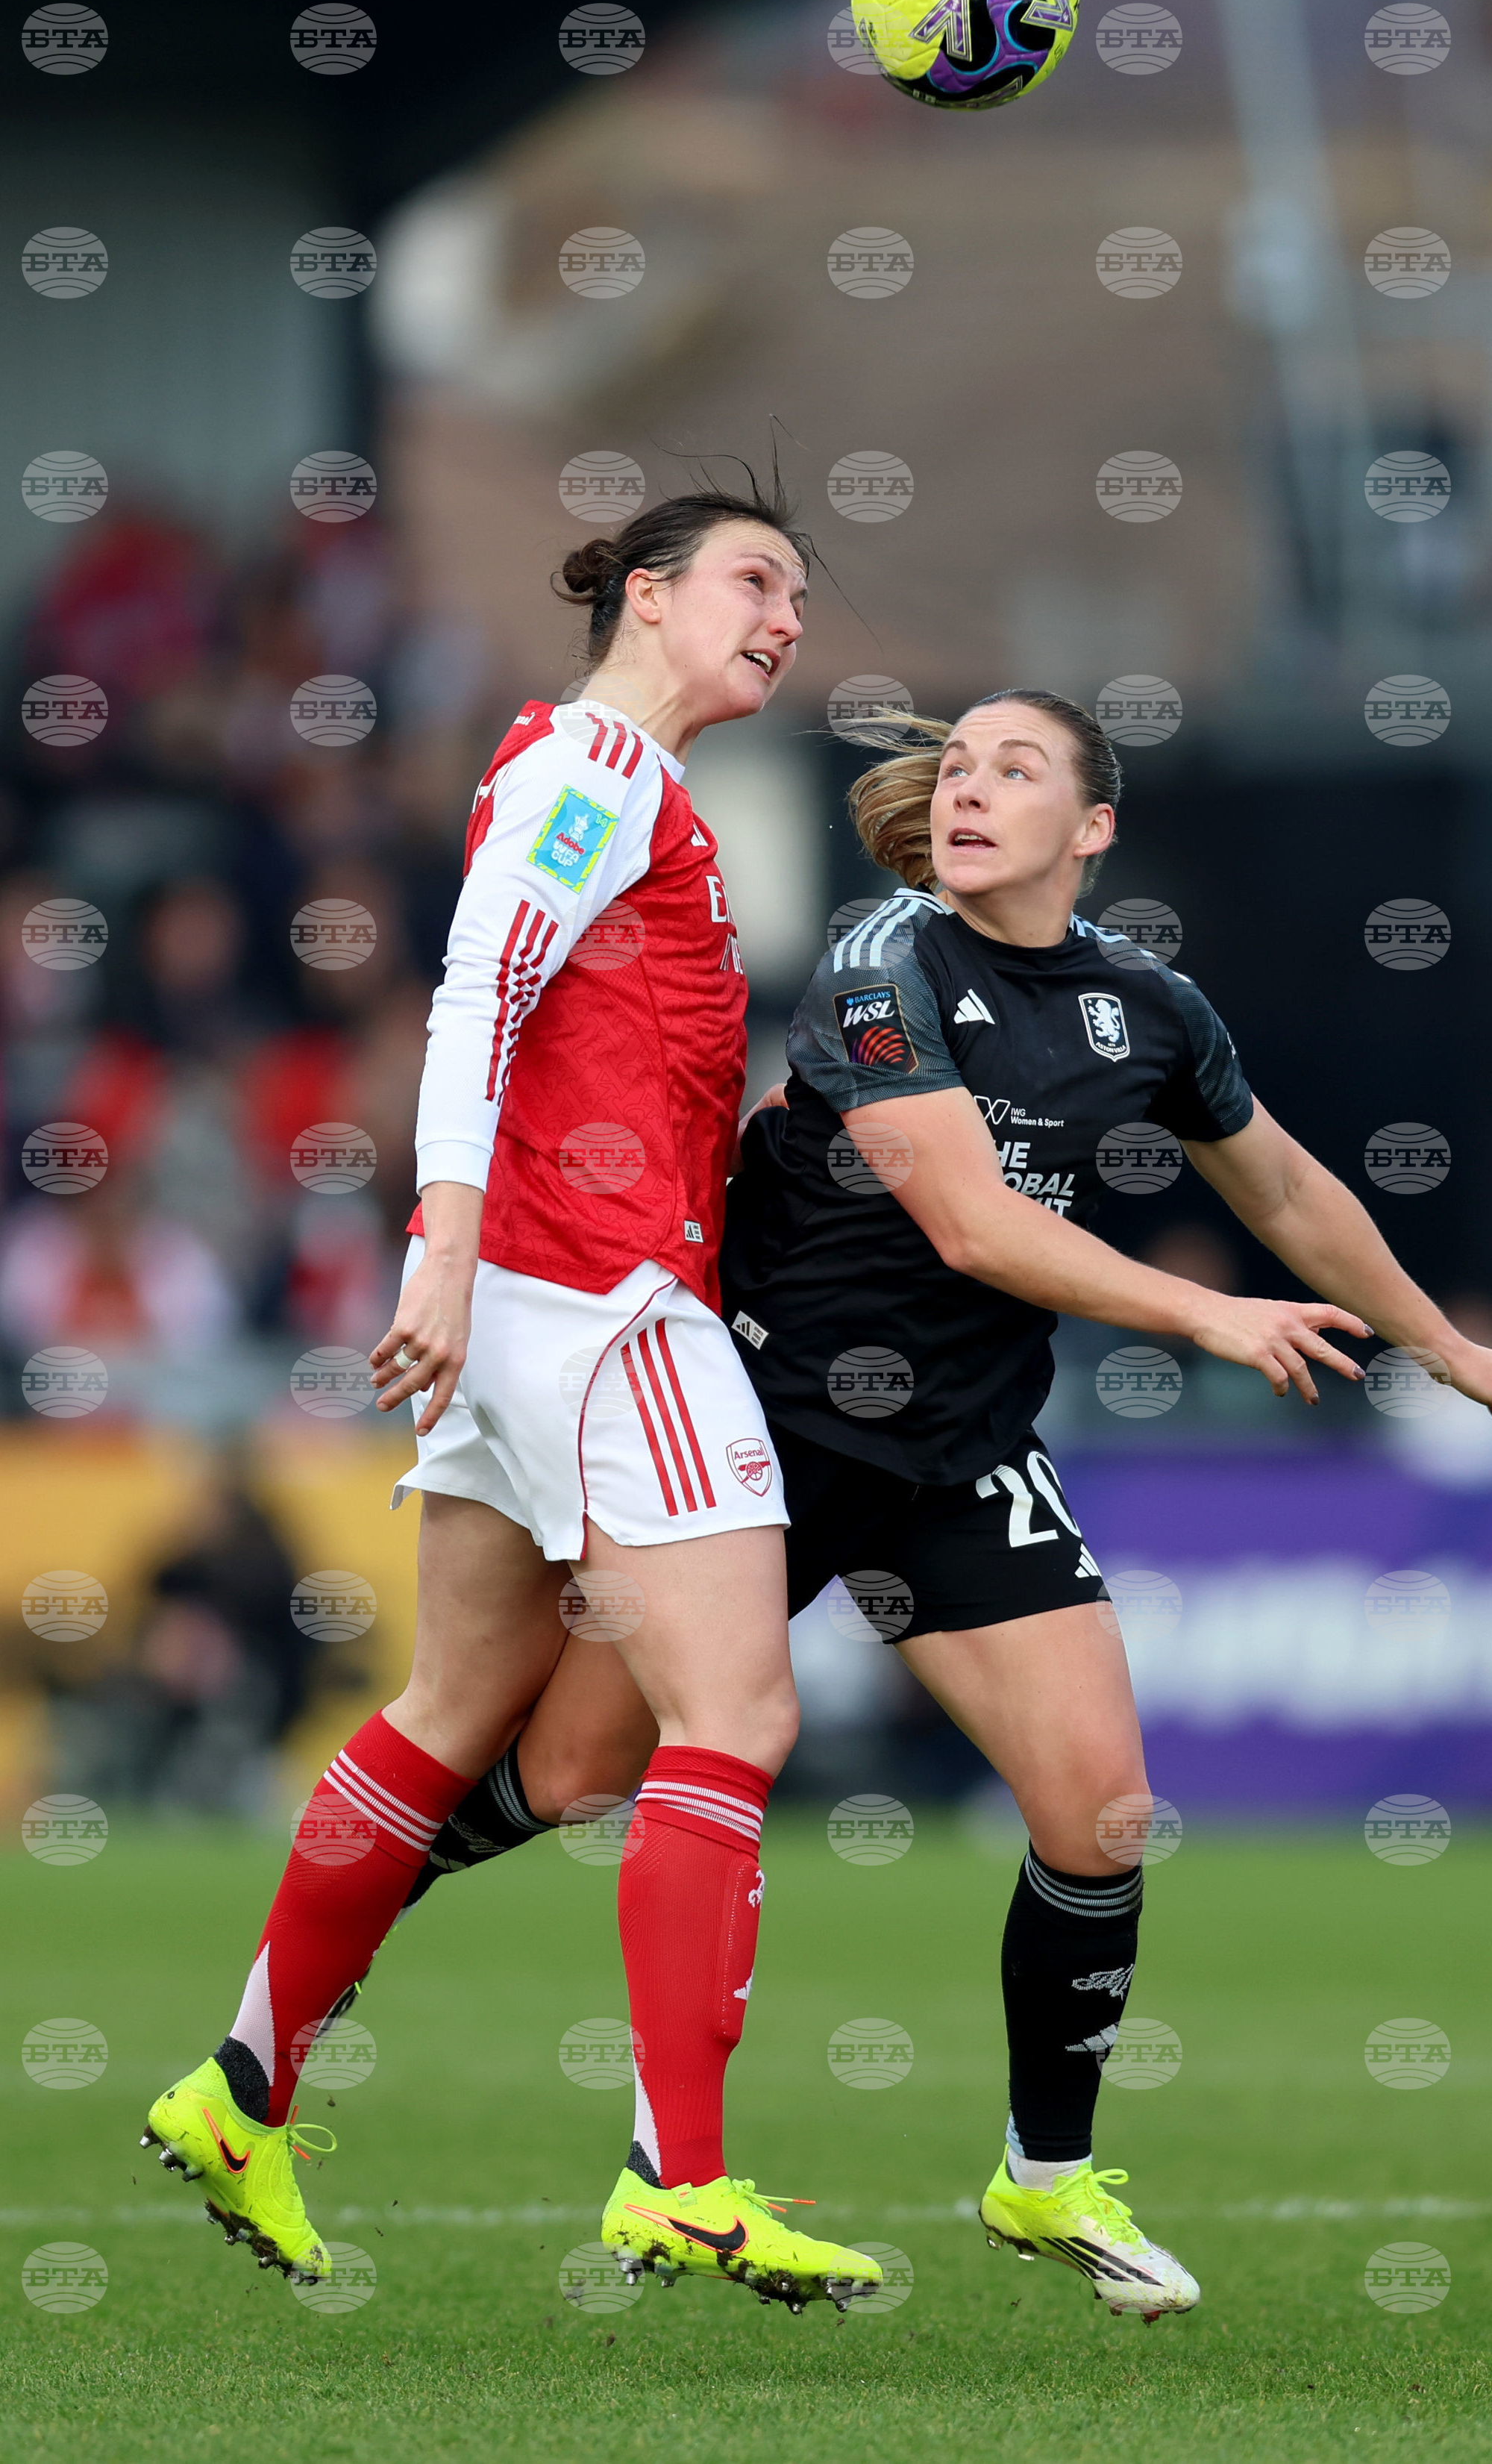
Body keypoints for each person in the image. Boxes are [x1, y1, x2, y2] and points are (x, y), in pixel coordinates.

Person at [400, 686, 1492, 2322]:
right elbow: (974, 1226)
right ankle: (305, 1965)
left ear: (1090, 829)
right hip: (768, 1429)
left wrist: (1440, 1340)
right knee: (576, 1769)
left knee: (1099, 1812)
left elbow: (1287, 1185)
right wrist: (1209, 1316)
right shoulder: (886, 956)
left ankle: (1046, 2174)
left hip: (958, 1451)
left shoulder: (1151, 1009)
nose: (969, 789)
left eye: (1015, 770)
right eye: (956, 765)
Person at [142, 482, 880, 2315]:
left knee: (460, 1710)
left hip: (535, 1307)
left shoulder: (619, 777)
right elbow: (476, 982)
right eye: (755, 581)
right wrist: (449, 1244)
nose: (785, 618)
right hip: (596, 1300)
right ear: (648, 594)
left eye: (799, 593)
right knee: (741, 1707)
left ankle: (243, 2086)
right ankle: (680, 2179)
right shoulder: (600, 764)